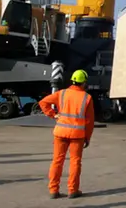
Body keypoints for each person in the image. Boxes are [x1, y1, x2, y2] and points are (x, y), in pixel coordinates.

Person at [38, 69, 95, 199]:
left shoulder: (62, 93)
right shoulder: (87, 98)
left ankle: (53, 190)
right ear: (84, 82)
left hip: (60, 132)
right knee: (75, 162)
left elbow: (43, 102)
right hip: (77, 134)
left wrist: (53, 115)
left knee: (57, 161)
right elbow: (90, 121)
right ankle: (73, 190)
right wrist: (87, 137)